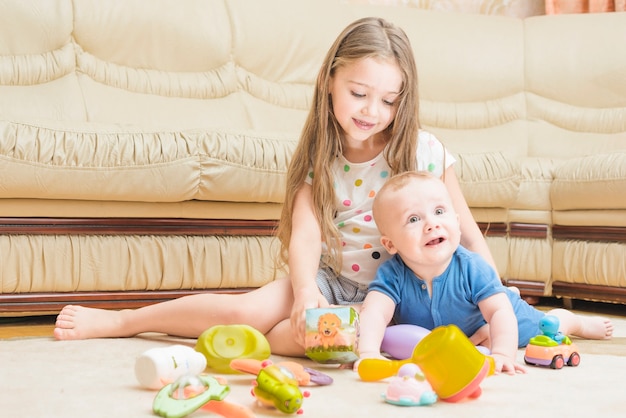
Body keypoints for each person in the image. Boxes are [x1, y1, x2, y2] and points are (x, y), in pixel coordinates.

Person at [55, 17, 496, 355]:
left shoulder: (425, 151)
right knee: (243, 312)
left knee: (324, 338)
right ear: (329, 81)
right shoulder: (319, 157)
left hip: (402, 291)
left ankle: (279, 335)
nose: (371, 111)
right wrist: (306, 291)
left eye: (388, 100)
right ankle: (125, 322)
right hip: (333, 279)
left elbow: (468, 233)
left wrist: (494, 289)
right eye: (358, 93)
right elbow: (305, 236)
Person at [357, 171, 614, 373]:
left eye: (439, 212)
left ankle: (574, 321)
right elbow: (375, 313)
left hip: (504, 319)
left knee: (545, 329)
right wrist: (368, 352)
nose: (431, 224)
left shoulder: (471, 266)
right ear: (390, 244)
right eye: (413, 219)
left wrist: (503, 354)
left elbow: (499, 312)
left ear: (457, 224)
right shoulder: (392, 274)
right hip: (462, 340)